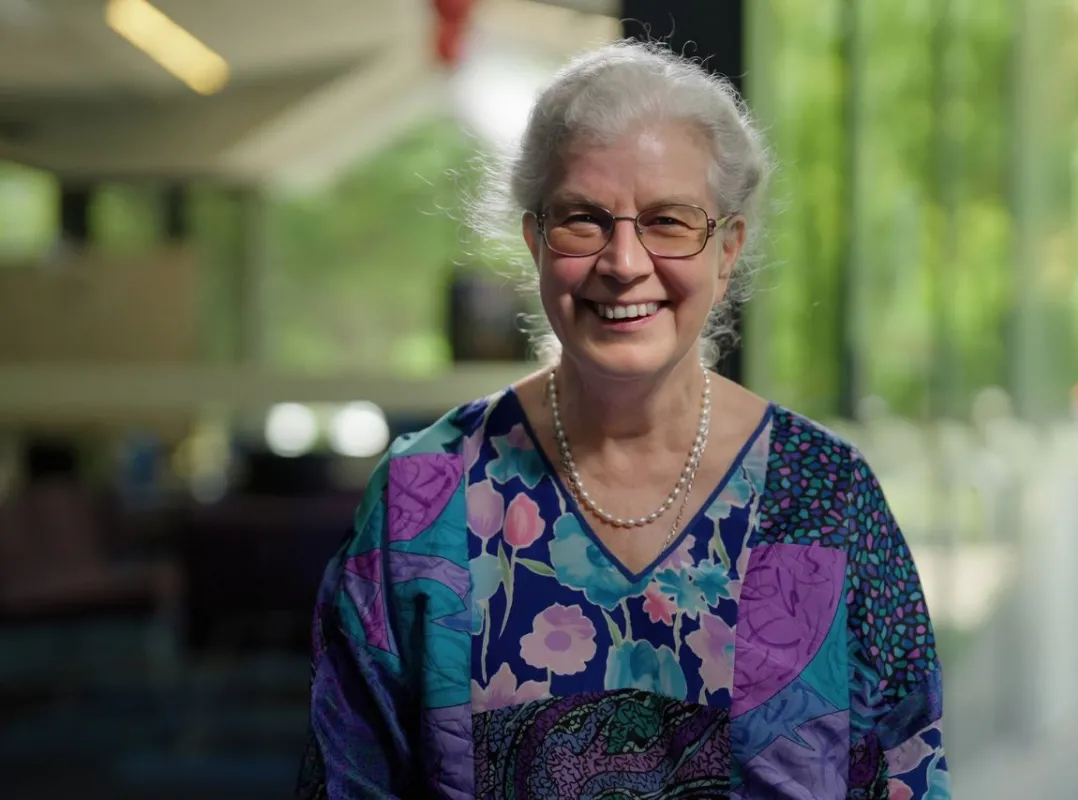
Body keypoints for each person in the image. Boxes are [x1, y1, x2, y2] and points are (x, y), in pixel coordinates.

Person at [297, 40, 949, 800]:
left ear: (728, 249)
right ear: (535, 241)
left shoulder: (823, 498)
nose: (624, 261)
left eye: (669, 221)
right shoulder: (425, 498)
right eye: (583, 220)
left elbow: (907, 773)